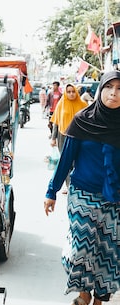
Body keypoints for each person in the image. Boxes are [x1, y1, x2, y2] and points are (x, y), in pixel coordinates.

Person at [44, 71, 120, 305]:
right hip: (82, 193)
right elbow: (66, 160)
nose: (114, 93)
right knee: (81, 245)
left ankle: (99, 298)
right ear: (101, 90)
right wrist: (52, 191)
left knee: (107, 249)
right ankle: (84, 292)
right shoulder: (83, 119)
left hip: (115, 198)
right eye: (110, 87)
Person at [49, 83, 88, 193]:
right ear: (65, 93)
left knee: (77, 161)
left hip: (79, 136)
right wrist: (53, 138)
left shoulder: (83, 105)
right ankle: (68, 185)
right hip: (63, 136)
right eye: (69, 92)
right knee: (65, 161)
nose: (71, 94)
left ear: (76, 92)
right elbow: (56, 122)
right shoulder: (61, 104)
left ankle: (76, 184)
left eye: (73, 91)